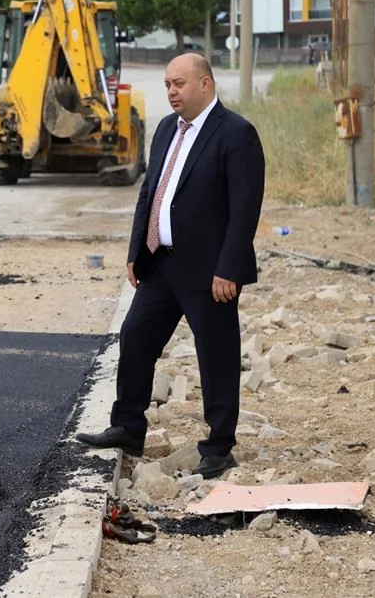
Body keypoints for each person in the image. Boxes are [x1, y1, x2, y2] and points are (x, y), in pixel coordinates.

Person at [76, 53, 265, 480]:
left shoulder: (236, 134)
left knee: (215, 355)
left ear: (205, 84)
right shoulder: (165, 129)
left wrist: (229, 268)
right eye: (167, 85)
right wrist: (134, 252)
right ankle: (127, 427)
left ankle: (218, 447)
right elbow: (151, 193)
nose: (171, 91)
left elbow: (244, 210)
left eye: (178, 83)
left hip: (210, 271)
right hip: (161, 264)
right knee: (136, 336)